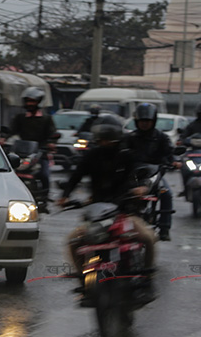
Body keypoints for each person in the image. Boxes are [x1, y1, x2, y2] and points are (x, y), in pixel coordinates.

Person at [58, 115, 156, 278]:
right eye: (101, 138)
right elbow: (76, 175)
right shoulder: (92, 156)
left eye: (108, 138)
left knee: (148, 238)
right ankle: (83, 277)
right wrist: (65, 196)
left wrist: (141, 187)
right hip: (97, 213)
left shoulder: (127, 155)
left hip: (124, 211)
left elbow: (141, 172)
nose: (104, 141)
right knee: (73, 241)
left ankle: (147, 275)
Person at [123, 103, 176, 241]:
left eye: (147, 121)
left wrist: (174, 161)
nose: (144, 124)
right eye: (142, 121)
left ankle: (164, 228)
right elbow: (120, 153)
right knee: (121, 193)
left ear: (153, 121)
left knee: (166, 194)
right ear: (136, 121)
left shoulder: (161, 137)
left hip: (155, 174)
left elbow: (170, 153)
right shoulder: (130, 138)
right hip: (134, 175)